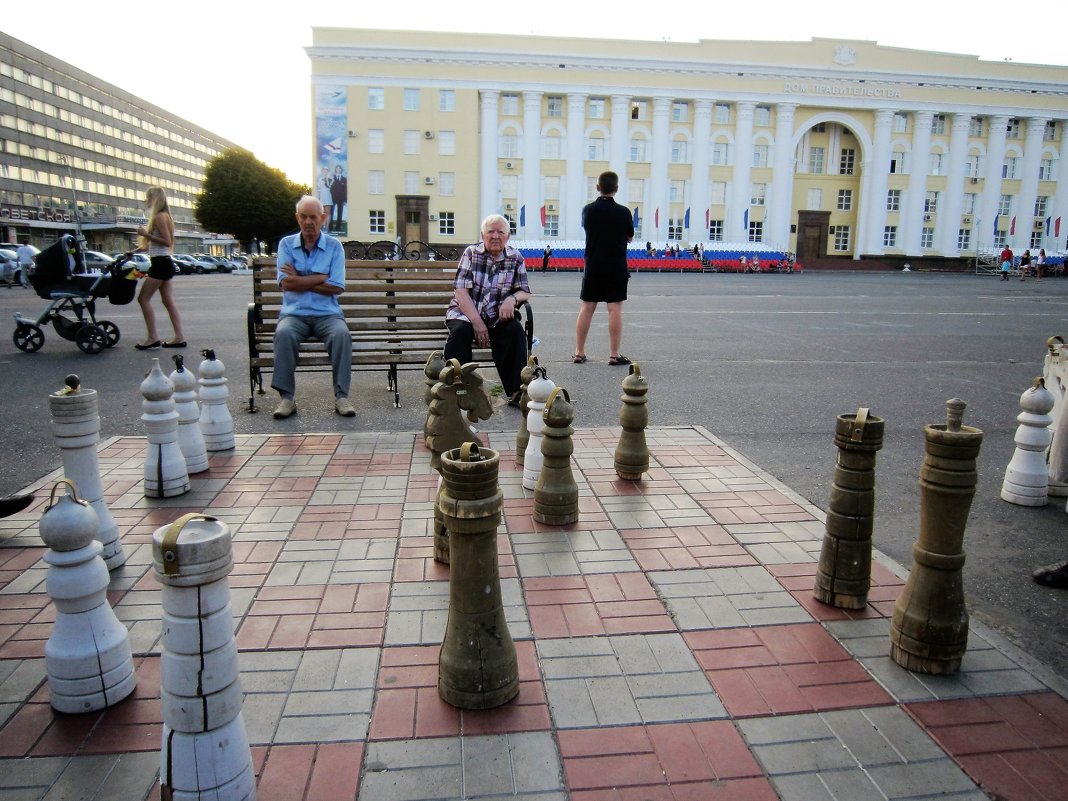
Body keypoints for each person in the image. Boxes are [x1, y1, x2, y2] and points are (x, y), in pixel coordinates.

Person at [271, 195, 354, 419]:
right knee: (284, 333)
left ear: (323, 218)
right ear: (298, 218)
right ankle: (287, 399)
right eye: (304, 217)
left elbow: (336, 287)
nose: (309, 222)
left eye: (313, 217)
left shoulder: (334, 247)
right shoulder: (286, 245)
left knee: (341, 335)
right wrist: (319, 277)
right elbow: (286, 284)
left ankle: (342, 397)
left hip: (328, 314)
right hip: (294, 314)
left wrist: (300, 278)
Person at [443, 214, 531, 407]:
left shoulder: (515, 257)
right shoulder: (471, 253)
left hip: (497, 317)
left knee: (515, 331)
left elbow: (524, 291)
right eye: (491, 231)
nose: (495, 236)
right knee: (459, 333)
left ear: (508, 237)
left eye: (501, 232)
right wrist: (477, 322)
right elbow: (461, 292)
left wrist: (512, 299)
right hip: (466, 314)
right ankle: (456, 389)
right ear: (483, 235)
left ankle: (517, 392)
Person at [574, 170, 634, 366]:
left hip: (593, 265)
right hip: (616, 266)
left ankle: (579, 352)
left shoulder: (588, 210)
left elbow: (589, 229)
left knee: (586, 308)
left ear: (598, 187)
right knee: (614, 309)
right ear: (616, 189)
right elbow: (629, 236)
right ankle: (614, 355)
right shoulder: (624, 212)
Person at [134, 187, 186, 350]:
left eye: (148, 198)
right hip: (163, 262)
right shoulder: (165, 216)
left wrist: (145, 234)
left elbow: (166, 241)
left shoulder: (159, 217)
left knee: (143, 299)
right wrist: (138, 250)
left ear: (154, 199)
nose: (146, 201)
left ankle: (152, 337)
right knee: (168, 301)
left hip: (161, 264)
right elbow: (160, 244)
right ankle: (179, 337)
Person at [329, 165, 347, 233]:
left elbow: (345, 190)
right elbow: (330, 188)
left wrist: (345, 200)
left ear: (341, 170)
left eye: (339, 168)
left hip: (341, 198)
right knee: (331, 212)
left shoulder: (344, 179)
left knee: (340, 212)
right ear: (335, 169)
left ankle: (338, 227)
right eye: (337, 168)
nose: (338, 169)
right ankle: (330, 226)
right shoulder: (332, 178)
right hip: (332, 198)